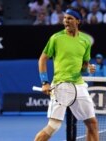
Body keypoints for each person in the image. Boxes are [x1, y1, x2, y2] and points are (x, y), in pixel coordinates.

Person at [34, 7, 99, 141]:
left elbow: (84, 63)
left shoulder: (85, 41)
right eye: (64, 18)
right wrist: (45, 82)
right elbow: (42, 59)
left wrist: (89, 67)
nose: (66, 21)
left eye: (69, 18)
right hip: (61, 85)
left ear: (78, 21)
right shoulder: (56, 38)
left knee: (92, 123)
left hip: (79, 85)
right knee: (53, 126)